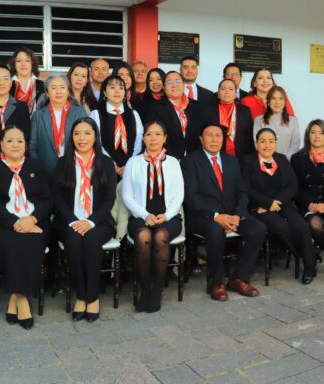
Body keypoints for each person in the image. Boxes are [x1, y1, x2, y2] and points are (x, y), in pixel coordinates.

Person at [182, 124, 266, 301]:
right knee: (215, 231)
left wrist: (238, 215)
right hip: (203, 215)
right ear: (201, 139)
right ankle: (216, 282)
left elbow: (242, 192)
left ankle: (239, 278)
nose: (214, 139)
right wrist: (216, 216)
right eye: (209, 135)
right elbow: (190, 196)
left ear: (223, 139)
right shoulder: (191, 161)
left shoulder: (231, 161)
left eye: (218, 136)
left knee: (258, 228)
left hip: (232, 213)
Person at [0, 126, 52, 329]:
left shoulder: (37, 165)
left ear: (25, 145)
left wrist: (32, 219)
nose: (15, 145)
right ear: (1, 144)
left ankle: (14, 298)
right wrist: (15, 222)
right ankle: (23, 301)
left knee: (31, 242)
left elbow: (47, 199)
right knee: (17, 243)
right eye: (9, 140)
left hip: (33, 222)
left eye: (20, 141)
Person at [53, 117, 116, 322]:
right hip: (68, 221)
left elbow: (109, 199)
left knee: (90, 241)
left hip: (98, 221)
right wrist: (73, 221)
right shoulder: (63, 162)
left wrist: (89, 222)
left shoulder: (105, 162)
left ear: (95, 136)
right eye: (77, 133)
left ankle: (93, 296)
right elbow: (57, 198)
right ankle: (81, 295)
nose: (82, 138)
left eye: (87, 133)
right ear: (71, 137)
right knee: (72, 242)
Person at [121, 120, 184, 312]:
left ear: (165, 138)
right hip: (140, 217)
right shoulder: (133, 162)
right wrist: (145, 214)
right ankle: (145, 290)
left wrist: (166, 215)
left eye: (158, 134)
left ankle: (157, 290)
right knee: (143, 235)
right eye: (149, 134)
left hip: (169, 217)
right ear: (143, 138)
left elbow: (179, 194)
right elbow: (127, 195)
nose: (153, 138)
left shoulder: (173, 162)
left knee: (161, 236)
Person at [243, 128, 316, 284]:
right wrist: (268, 204)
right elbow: (246, 188)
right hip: (260, 207)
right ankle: (308, 256)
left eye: (271, 141)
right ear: (256, 144)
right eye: (262, 141)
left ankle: (309, 266)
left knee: (301, 225)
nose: (267, 145)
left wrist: (277, 202)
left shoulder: (281, 159)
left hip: (282, 204)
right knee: (280, 227)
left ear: (276, 144)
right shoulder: (247, 161)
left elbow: (292, 186)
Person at [30, 74, 87, 178]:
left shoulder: (79, 113)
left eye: (62, 87)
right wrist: (40, 168)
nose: (58, 91)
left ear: (68, 91)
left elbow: (87, 142)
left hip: (75, 171)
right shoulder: (38, 115)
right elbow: (32, 147)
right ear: (47, 92)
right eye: (53, 88)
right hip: (45, 173)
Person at [89, 75, 144, 179]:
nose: (117, 91)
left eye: (121, 88)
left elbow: (139, 142)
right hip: (105, 169)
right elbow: (96, 143)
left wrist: (129, 165)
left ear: (125, 93)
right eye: (112, 87)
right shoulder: (96, 114)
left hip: (131, 170)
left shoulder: (134, 114)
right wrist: (112, 165)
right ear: (104, 92)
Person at [150, 71, 203, 158]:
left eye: (178, 81)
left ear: (183, 85)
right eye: (169, 82)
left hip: (194, 160)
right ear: (164, 87)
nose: (174, 85)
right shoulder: (155, 108)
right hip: (167, 160)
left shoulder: (196, 106)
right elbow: (154, 136)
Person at [291, 120, 324, 253]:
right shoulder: (297, 158)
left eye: (321, 133)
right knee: (316, 224)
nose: (316, 136)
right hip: (306, 206)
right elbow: (294, 188)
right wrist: (308, 204)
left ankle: (314, 253)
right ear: (307, 135)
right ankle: (313, 255)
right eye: (313, 132)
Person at [206, 79, 255, 158]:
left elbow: (249, 136)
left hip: (240, 155)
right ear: (218, 94)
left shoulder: (245, 111)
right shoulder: (209, 111)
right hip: (215, 154)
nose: (227, 92)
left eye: (231, 89)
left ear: (235, 94)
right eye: (223, 89)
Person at [253, 87, 301, 157]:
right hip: (265, 163)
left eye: (281, 99)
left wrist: (284, 160)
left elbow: (295, 144)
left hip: (287, 163)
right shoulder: (259, 120)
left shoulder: (293, 120)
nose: (277, 102)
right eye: (273, 98)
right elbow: (257, 143)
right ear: (268, 102)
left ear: (285, 102)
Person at [9, 46, 44, 117]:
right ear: (14, 64)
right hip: (13, 126)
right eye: (19, 61)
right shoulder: (7, 84)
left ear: (32, 63)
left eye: (27, 60)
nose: (23, 64)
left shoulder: (42, 85)